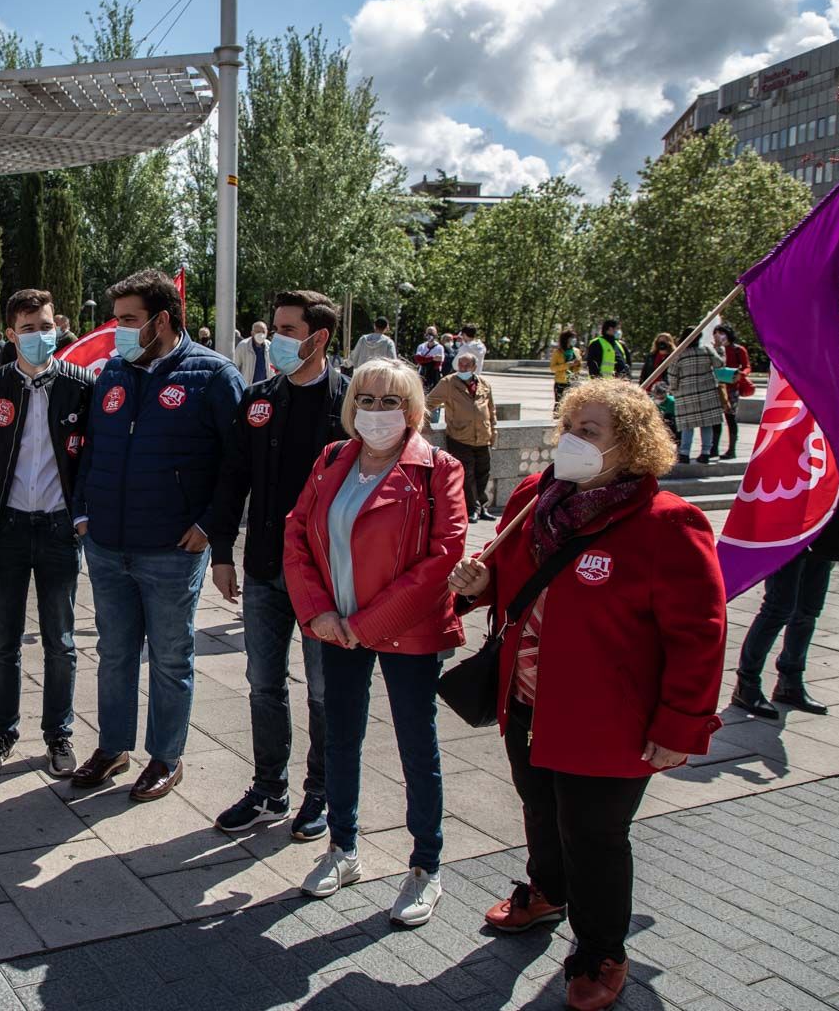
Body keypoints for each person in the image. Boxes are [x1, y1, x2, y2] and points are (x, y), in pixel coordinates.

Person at [447, 379, 725, 1011]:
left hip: (609, 721)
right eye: (570, 427)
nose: (572, 442)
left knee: (594, 836)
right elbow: (507, 578)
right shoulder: (534, 498)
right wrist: (479, 581)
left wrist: (681, 726)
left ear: (629, 447)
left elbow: (699, 637)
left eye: (590, 432)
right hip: (526, 702)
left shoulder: (668, 524)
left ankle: (601, 948)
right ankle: (546, 890)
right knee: (539, 807)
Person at [283, 358, 465, 921]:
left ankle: (426, 866)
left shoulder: (438, 469)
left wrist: (365, 626)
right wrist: (318, 614)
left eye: (390, 401)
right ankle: (343, 847)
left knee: (417, 747)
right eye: (366, 398)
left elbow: (443, 558)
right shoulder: (333, 459)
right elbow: (297, 537)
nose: (377, 411)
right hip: (335, 627)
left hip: (404, 631)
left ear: (412, 409)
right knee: (340, 739)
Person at [70, 268, 245, 800]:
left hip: (171, 550)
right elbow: (91, 449)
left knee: (171, 657)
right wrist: (83, 515)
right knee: (114, 653)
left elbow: (236, 465)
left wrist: (210, 528)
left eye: (129, 320)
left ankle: (166, 757)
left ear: (162, 321)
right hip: (106, 545)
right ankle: (113, 746)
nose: (119, 330)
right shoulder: (114, 373)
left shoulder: (213, 375)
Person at [207, 290, 347, 841]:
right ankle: (269, 787)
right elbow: (232, 477)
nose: (276, 340)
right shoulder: (260, 398)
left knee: (321, 690)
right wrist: (221, 553)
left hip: (326, 578)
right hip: (265, 568)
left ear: (319, 339)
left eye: (288, 330)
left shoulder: (353, 401)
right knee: (264, 683)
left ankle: (322, 792)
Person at [0, 289, 94, 777]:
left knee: (61, 640)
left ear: (57, 326)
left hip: (62, 530)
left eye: (46, 326)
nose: (40, 336)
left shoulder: (81, 385)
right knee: (5, 641)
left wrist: (84, 517)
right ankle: (2, 731)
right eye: (28, 328)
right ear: (9, 334)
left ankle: (59, 733)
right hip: (8, 530)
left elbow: (93, 459)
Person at [733, 438, 839, 720]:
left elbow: (838, 493)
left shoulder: (836, 425)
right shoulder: (791, 424)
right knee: (779, 608)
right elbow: (785, 484)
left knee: (807, 611)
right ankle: (747, 682)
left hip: (826, 531)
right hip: (791, 532)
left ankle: (790, 680)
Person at [426, 351, 498, 522]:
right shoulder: (448, 383)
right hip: (459, 436)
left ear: (474, 367)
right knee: (467, 475)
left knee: (483, 473)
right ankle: (471, 509)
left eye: (467, 365)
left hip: (482, 436)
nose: (463, 368)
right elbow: (429, 402)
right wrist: (425, 423)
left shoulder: (484, 384)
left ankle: (482, 507)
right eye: (461, 365)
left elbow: (491, 410)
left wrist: (493, 432)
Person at [668, 330, 722, 464]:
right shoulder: (706, 350)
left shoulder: (678, 355)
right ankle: (705, 453)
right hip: (707, 393)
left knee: (687, 425)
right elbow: (719, 364)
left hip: (686, 394)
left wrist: (674, 390)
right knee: (707, 424)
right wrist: (718, 349)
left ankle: (685, 453)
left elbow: (672, 375)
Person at [711, 323, 754, 459]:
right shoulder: (713, 350)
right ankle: (713, 448)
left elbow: (747, 366)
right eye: (716, 333)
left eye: (721, 333)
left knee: (730, 418)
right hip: (716, 387)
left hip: (732, 387)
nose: (718, 336)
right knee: (715, 419)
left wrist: (741, 374)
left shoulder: (738, 350)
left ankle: (731, 449)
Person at [550, 330, 579, 405]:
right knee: (559, 405)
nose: (574, 339)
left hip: (572, 382)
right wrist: (567, 365)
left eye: (574, 337)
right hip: (560, 382)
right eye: (572, 338)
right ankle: (557, 417)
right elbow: (553, 368)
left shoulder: (576, 351)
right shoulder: (557, 352)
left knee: (570, 406)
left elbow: (578, 366)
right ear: (566, 339)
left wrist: (577, 365)